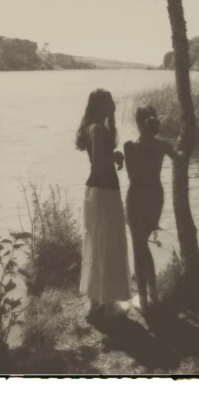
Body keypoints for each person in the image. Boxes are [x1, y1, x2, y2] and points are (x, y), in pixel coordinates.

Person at [74, 89, 130, 319]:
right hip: (104, 191)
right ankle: (105, 304)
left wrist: (113, 154)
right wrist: (116, 156)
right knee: (109, 243)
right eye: (107, 102)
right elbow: (98, 164)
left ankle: (97, 302)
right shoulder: (97, 129)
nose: (111, 105)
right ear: (98, 105)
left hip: (98, 191)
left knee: (99, 243)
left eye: (111, 101)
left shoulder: (94, 127)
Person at [122, 106, 172, 311]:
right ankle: (153, 293)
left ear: (137, 122)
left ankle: (143, 299)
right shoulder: (164, 145)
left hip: (136, 197)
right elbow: (180, 158)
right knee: (143, 245)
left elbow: (132, 176)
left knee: (138, 246)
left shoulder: (129, 146)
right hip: (155, 198)